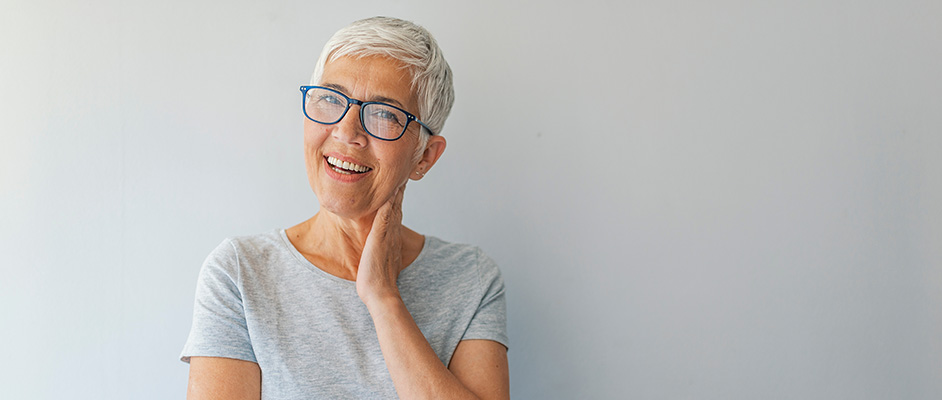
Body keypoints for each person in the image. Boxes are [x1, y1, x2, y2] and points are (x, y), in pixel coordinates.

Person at [180, 16, 509, 399]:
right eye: (331, 99)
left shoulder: (471, 279)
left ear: (425, 157)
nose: (346, 132)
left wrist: (384, 297)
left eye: (384, 114)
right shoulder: (239, 273)